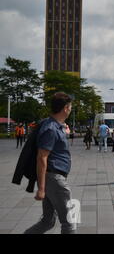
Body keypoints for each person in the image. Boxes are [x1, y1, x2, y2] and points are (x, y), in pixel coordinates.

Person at [24, 92, 76, 234]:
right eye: (70, 106)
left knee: (48, 221)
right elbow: (42, 158)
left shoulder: (55, 126)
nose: (71, 109)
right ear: (65, 108)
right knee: (70, 221)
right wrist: (41, 188)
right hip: (55, 178)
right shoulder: (51, 129)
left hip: (53, 178)